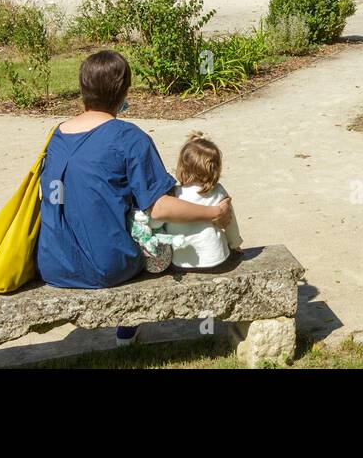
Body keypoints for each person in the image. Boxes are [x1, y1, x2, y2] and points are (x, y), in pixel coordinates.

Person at [36, 50, 233, 345]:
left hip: (53, 263)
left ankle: (128, 330)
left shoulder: (57, 135)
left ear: (82, 89)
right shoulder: (129, 138)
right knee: (157, 241)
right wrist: (213, 214)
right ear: (123, 90)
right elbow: (159, 208)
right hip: (105, 267)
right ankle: (127, 330)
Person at [134, 131, 242, 270]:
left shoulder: (173, 195)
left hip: (181, 262)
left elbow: (157, 221)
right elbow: (229, 221)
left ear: (182, 167)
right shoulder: (219, 191)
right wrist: (235, 244)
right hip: (216, 258)